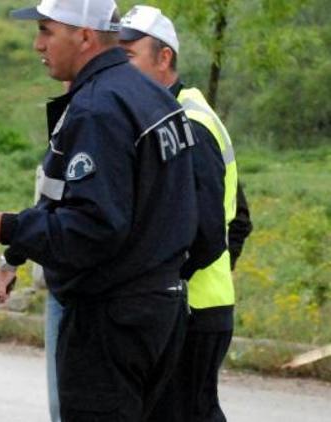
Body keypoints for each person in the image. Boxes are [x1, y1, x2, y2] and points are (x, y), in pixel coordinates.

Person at [0, 0, 203, 419]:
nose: (36, 44)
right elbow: (193, 214)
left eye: (46, 30)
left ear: (84, 35)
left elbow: (93, 227)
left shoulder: (99, 108)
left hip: (112, 319)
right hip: (161, 311)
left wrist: (6, 227)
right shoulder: (155, 96)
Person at [120, 6, 253, 421]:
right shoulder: (167, 115)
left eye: (127, 57)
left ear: (164, 59)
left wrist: (169, 283)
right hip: (193, 305)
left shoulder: (188, 123)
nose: (116, 68)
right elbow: (240, 220)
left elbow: (210, 231)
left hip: (191, 311)